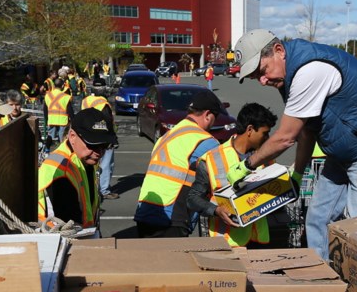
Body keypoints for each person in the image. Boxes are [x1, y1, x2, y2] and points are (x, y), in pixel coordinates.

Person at [234, 29, 357, 261]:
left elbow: (285, 137)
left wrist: (248, 165)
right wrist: (297, 173)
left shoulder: (309, 69)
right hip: (342, 150)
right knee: (318, 218)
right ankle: (323, 282)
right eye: (257, 77)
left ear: (278, 51)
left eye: (262, 71)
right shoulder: (288, 76)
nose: (263, 80)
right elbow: (306, 130)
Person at [186, 103, 278, 247]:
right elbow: (193, 198)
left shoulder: (264, 157)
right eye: (264, 133)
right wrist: (216, 210)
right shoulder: (212, 159)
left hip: (258, 240)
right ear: (250, 130)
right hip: (227, 243)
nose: (267, 138)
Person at [133, 90, 222, 238]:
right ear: (207, 115)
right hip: (172, 217)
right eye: (215, 117)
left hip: (145, 212)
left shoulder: (166, 136)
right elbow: (223, 178)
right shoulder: (206, 141)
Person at [38, 108, 118, 237]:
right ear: (72, 136)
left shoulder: (84, 159)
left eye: (105, 145)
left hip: (82, 234)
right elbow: (67, 226)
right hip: (61, 241)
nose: (99, 152)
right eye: (92, 144)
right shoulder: (61, 172)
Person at [81, 90, 118, 200]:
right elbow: (108, 122)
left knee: (91, 162)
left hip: (89, 135)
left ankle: (93, 187)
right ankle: (104, 190)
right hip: (102, 137)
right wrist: (112, 139)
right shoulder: (103, 103)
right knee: (106, 163)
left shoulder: (86, 101)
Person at [43, 77, 73, 150]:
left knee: (50, 135)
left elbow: (45, 110)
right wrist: (73, 120)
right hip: (62, 121)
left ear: (54, 85)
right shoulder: (66, 97)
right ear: (62, 86)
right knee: (62, 138)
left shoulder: (48, 95)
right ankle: (62, 152)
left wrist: (47, 120)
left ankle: (46, 150)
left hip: (51, 120)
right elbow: (70, 111)